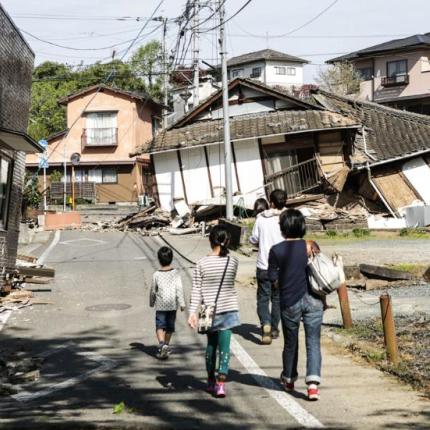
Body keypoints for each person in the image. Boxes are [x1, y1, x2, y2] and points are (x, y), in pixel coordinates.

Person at [267, 209, 324, 401]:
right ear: (302, 226)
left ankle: (289, 379)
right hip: (314, 300)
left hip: (289, 301)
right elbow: (320, 272)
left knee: (291, 343)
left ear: (282, 228)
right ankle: (313, 385)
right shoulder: (310, 245)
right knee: (313, 342)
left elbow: (273, 279)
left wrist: (284, 280)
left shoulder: (276, 250)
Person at [188, 225, 240, 398]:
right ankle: (221, 384)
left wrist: (192, 313)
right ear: (227, 242)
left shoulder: (201, 263)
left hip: (206, 310)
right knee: (224, 348)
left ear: (210, 241)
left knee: (211, 346)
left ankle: (210, 381)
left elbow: (196, 289)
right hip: (228, 309)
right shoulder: (233, 262)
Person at [249, 189, 287, 344]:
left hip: (264, 265)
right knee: (277, 299)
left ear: (271, 202)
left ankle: (265, 323)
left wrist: (256, 241)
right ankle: (275, 329)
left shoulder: (261, 218)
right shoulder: (287, 218)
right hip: (282, 267)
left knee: (263, 298)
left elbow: (254, 239)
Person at [150, 246, 185, 359]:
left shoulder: (156, 274)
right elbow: (179, 289)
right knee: (169, 327)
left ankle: (161, 344)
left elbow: (153, 290)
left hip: (160, 306)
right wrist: (182, 303)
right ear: (171, 258)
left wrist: (151, 301)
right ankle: (166, 345)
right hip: (172, 306)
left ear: (159, 260)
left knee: (160, 326)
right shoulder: (176, 273)